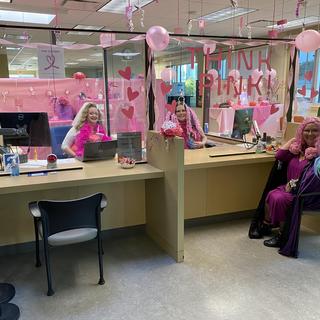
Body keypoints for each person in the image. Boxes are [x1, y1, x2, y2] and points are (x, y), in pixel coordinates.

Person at [249, 117, 320, 248]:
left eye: (315, 130)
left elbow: (314, 179)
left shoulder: (318, 154)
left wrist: (294, 185)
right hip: (291, 189)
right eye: (306, 130)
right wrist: (295, 139)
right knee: (271, 194)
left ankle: (283, 235)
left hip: (307, 194)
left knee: (280, 198)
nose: (310, 134)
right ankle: (267, 225)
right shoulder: (298, 149)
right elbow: (280, 155)